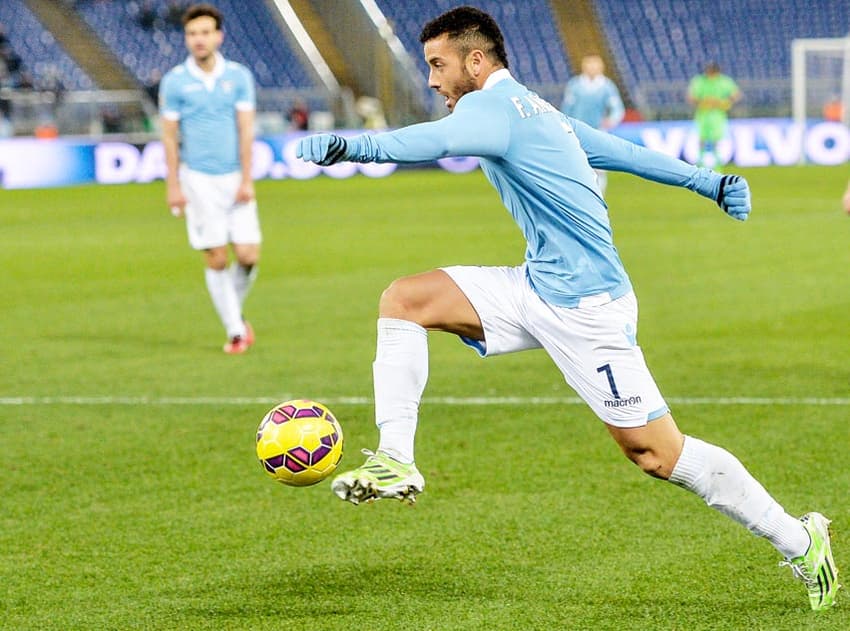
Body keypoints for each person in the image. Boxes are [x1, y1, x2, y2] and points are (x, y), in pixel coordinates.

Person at [296, 6, 839, 611]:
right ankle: (397, 458)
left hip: (588, 310)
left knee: (658, 454)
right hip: (537, 287)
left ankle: (800, 536)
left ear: (476, 62)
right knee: (405, 299)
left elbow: (435, 140)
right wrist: (703, 181)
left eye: (438, 65)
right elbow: (616, 149)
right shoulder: (534, 107)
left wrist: (353, 144)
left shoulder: (490, 107)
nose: (432, 80)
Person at [160, 3, 261, 354]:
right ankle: (236, 330)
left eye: (204, 32)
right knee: (217, 257)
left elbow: (246, 130)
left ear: (218, 36)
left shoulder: (239, 77)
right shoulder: (175, 82)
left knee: (248, 255)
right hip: (197, 179)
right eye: (191, 34)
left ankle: (233, 311)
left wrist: (247, 178)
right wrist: (173, 185)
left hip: (234, 176)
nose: (198, 40)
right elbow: (170, 136)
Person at [559, 54, 624, 195]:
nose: (592, 67)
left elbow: (617, 108)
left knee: (599, 169)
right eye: (589, 64)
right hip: (576, 132)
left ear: (601, 67)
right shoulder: (575, 85)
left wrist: (612, 120)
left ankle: (598, 198)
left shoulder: (607, 86)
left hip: (597, 132)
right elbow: (566, 108)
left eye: (595, 64)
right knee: (576, 167)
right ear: (583, 66)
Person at [687, 62, 740, 169]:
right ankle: (700, 164)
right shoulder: (699, 81)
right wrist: (703, 102)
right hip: (703, 114)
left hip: (718, 115)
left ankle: (717, 165)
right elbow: (691, 97)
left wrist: (724, 102)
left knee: (717, 140)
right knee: (702, 139)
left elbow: (736, 95)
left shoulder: (724, 81)